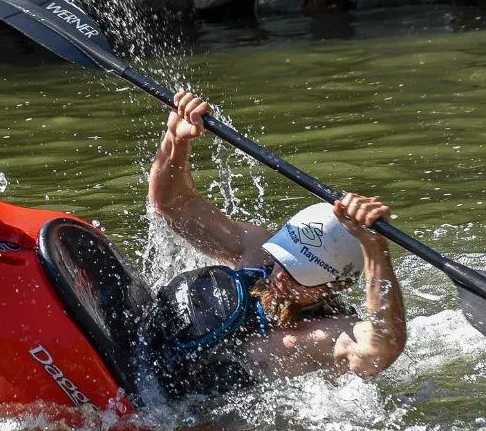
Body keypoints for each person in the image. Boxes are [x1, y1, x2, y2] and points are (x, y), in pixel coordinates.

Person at [144, 91, 407, 399]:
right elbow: (174, 206)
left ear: (336, 286)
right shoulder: (260, 252)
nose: (279, 276)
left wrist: (376, 249)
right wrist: (177, 141)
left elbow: (382, 346)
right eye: (284, 260)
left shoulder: (331, 335)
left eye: (299, 275)